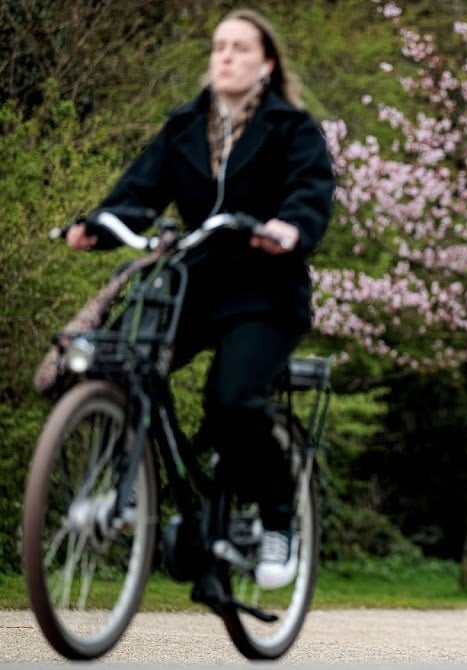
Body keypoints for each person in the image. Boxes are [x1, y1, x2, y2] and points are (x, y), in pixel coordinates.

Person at [64, 9, 334, 590]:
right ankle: (126, 491)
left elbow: (310, 193)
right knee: (120, 362)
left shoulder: (292, 128)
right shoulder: (184, 126)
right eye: (219, 47)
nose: (226, 56)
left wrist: (290, 227)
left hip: (265, 292)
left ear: (265, 64)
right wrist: (100, 225)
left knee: (232, 400)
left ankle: (279, 521)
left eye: (240, 47)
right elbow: (139, 193)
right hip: (193, 285)